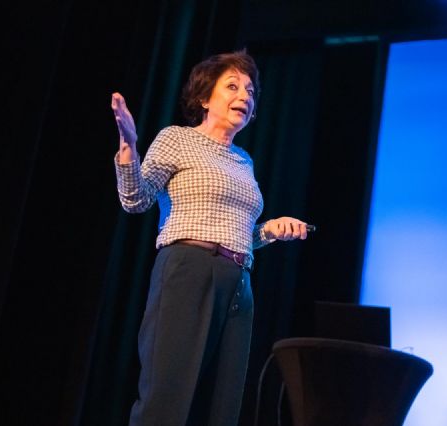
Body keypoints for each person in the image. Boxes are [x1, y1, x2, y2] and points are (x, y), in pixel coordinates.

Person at [111, 49, 309, 426]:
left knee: (222, 407)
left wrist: (269, 230)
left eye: (250, 91)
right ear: (204, 98)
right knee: (167, 398)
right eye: (232, 86)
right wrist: (128, 147)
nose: (245, 96)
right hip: (188, 270)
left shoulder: (244, 160)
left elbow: (235, 234)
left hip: (239, 283)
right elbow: (136, 200)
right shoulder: (176, 139)